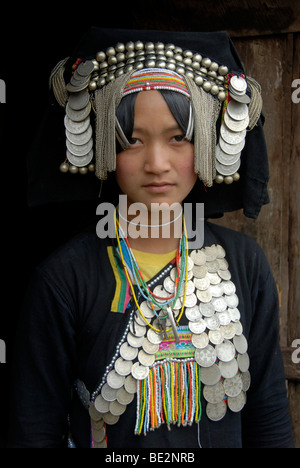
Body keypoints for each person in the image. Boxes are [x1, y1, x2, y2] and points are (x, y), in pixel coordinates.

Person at [9, 27, 294, 448]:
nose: (156, 163)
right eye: (132, 141)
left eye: (178, 138)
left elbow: (268, 416)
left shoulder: (244, 263)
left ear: (208, 146)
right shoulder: (64, 279)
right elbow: (33, 430)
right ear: (105, 146)